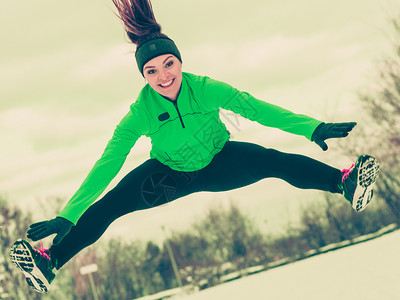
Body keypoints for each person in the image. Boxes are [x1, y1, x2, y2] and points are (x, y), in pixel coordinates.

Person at [9, 0, 380, 294]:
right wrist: (69, 214)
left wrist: (311, 127)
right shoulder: (139, 113)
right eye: (151, 71)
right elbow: (110, 161)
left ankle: (344, 183)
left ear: (180, 62)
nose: (163, 75)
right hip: (168, 176)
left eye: (168, 64)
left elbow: (254, 107)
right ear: (143, 76)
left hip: (221, 162)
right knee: (110, 206)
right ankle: (50, 261)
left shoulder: (204, 88)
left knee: (272, 160)